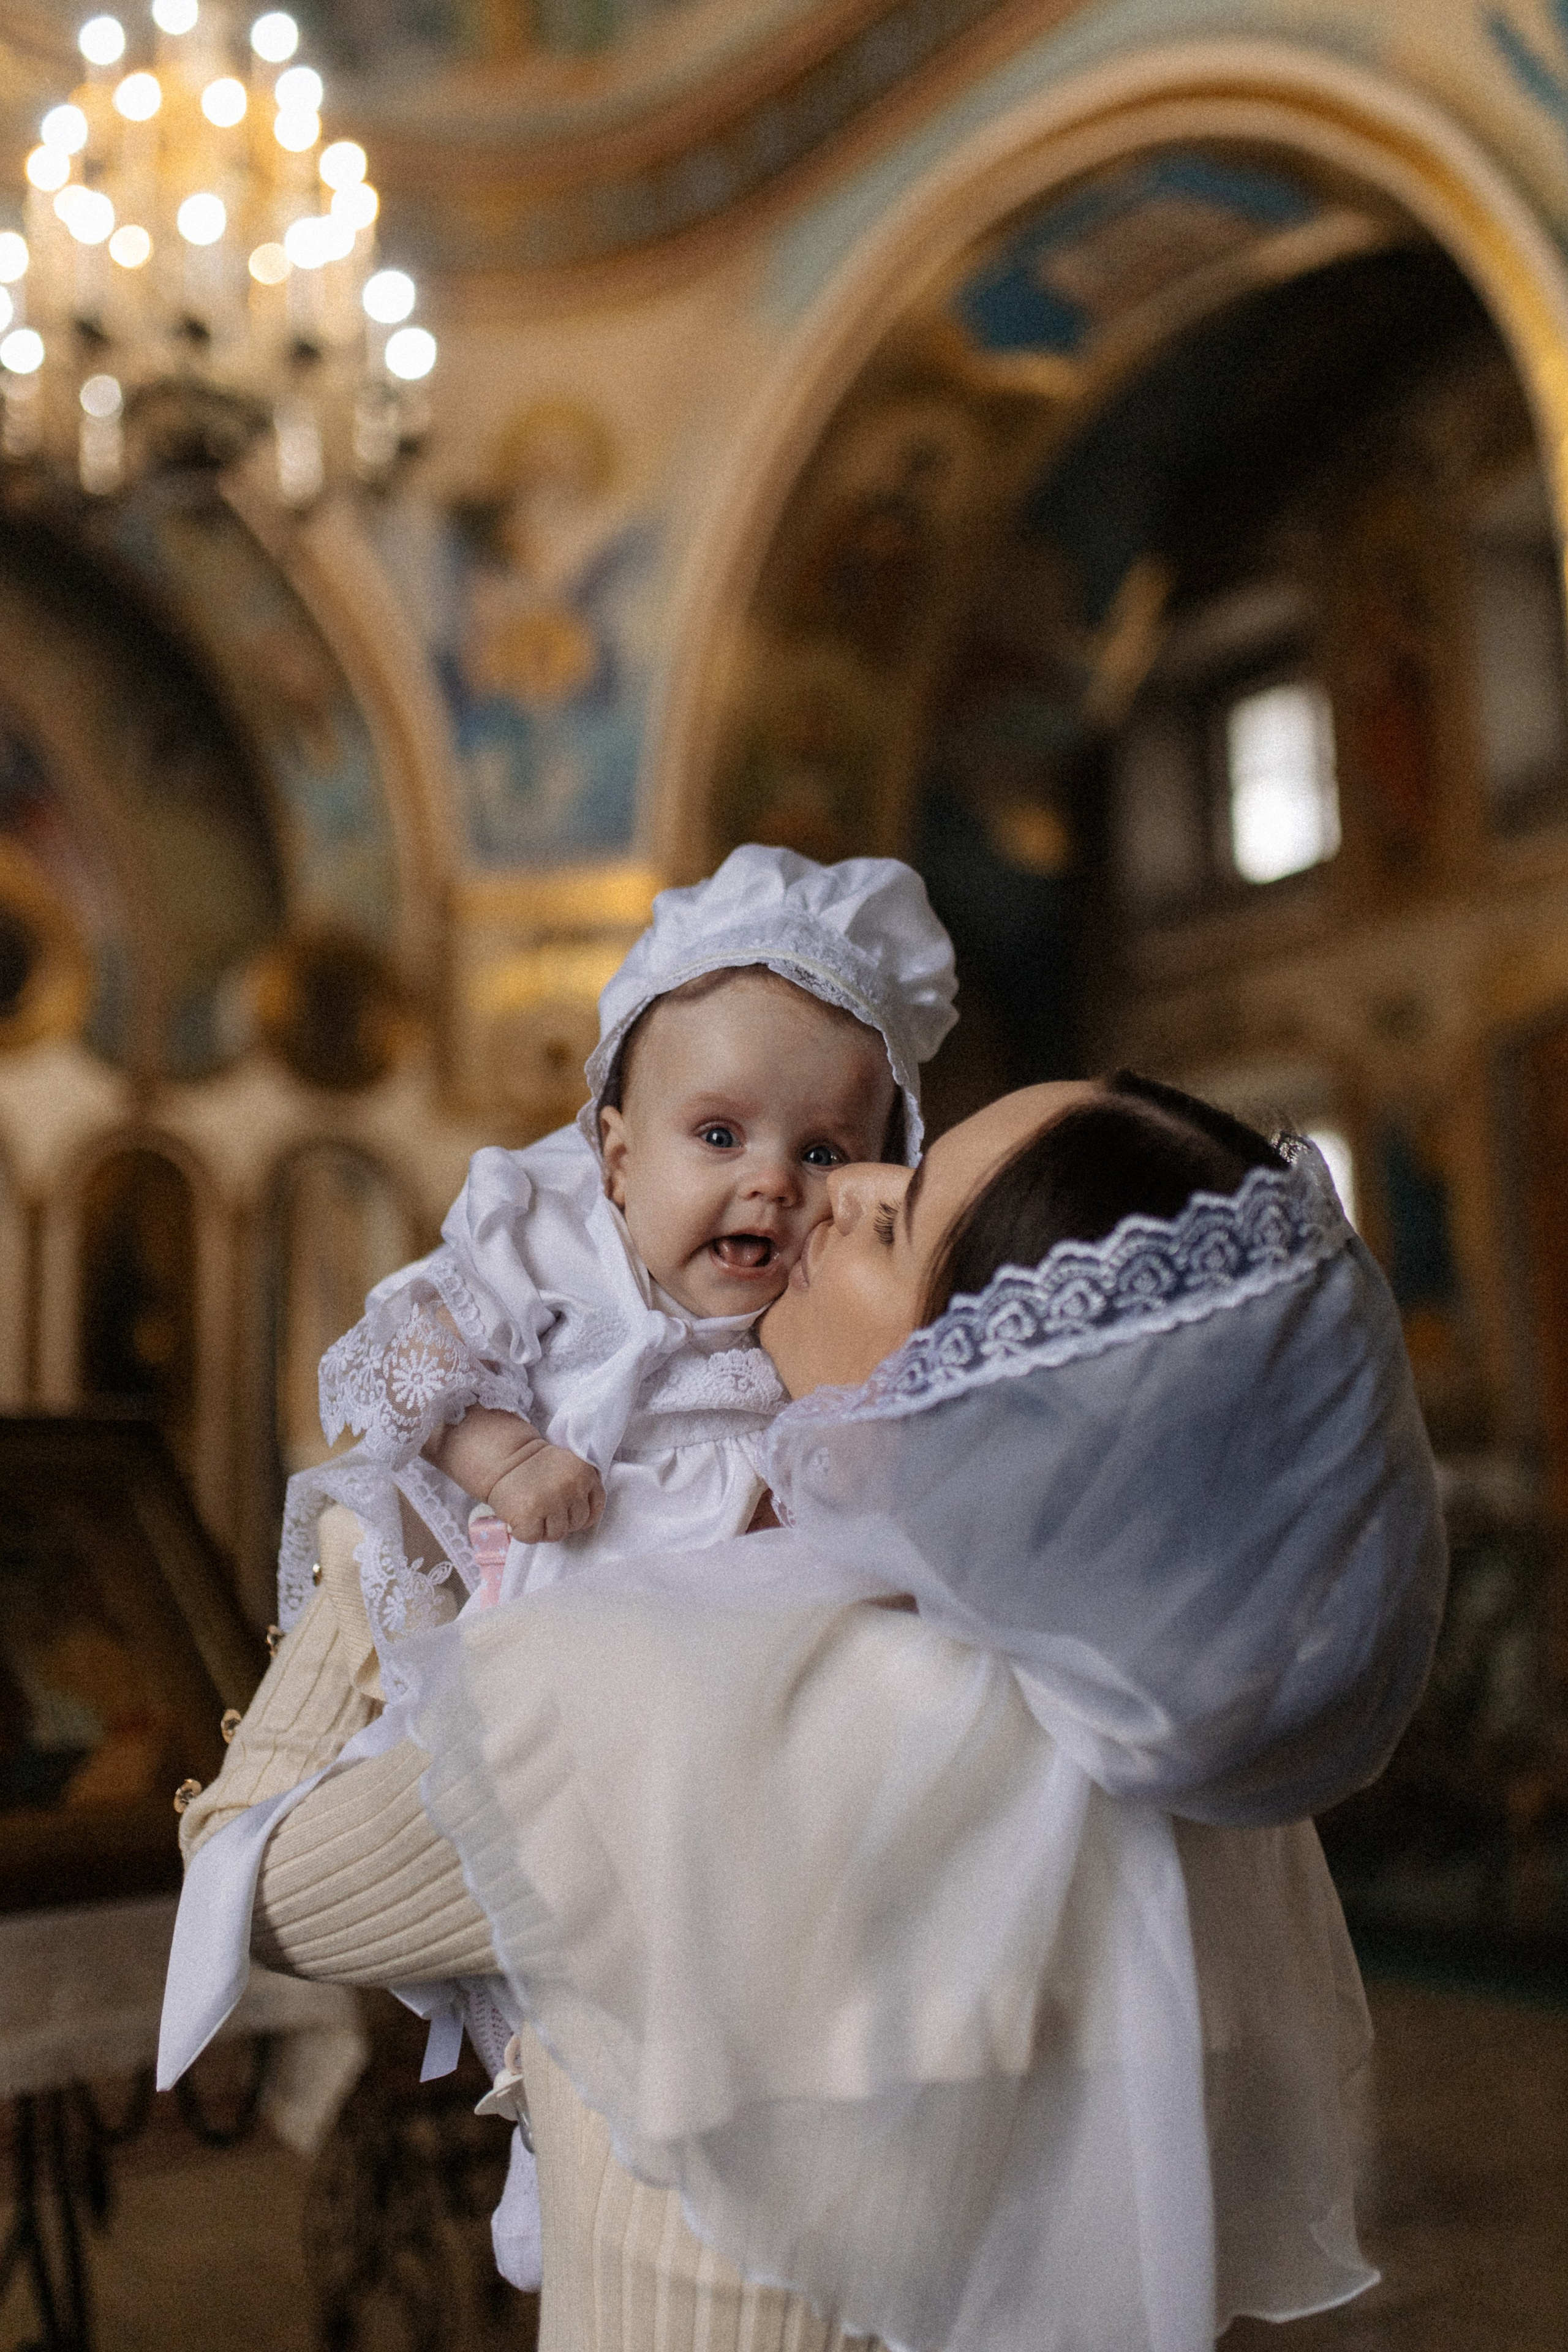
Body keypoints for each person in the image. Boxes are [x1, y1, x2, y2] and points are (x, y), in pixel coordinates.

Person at [162, 1071, 1446, 2352]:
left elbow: (262, 1890)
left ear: (988, 1402)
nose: (839, 1187)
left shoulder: (670, 1697)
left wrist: (377, 1522)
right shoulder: (1174, 1746)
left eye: (896, 1222)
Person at [272, 841, 957, 1682]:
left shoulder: (821, 1326)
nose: (772, 1182)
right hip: (523, 1638)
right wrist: (509, 1460)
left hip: (712, 1671)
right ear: (620, 1160)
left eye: (822, 1153)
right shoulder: (556, 1242)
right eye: (718, 1136)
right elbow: (413, 1360)